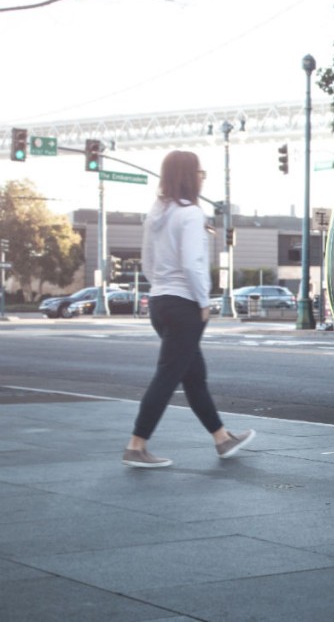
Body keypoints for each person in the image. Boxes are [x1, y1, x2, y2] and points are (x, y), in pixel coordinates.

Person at [123, 150, 254, 468]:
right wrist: (203, 301)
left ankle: (222, 438)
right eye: (199, 172)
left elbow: (148, 263)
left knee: (193, 375)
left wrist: (162, 287)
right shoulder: (191, 214)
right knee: (168, 375)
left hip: (159, 301)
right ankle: (136, 446)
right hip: (185, 305)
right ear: (187, 176)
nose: (201, 177)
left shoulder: (157, 213)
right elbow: (194, 265)